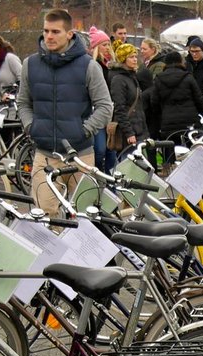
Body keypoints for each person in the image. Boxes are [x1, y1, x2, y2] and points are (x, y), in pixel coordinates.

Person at [17, 8, 112, 215]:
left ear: (70, 34)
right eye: (46, 31)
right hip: (45, 155)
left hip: (81, 156)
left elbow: (105, 106)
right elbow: (23, 102)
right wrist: (31, 126)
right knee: (44, 217)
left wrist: (83, 130)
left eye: (55, 31)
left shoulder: (88, 66)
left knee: (86, 217)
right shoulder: (30, 65)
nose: (49, 36)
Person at [146, 48, 203, 144]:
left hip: (168, 123)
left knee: (171, 153)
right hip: (190, 122)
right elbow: (199, 100)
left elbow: (154, 103)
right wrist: (202, 114)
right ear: (181, 61)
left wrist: (162, 115)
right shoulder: (188, 77)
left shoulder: (159, 79)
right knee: (193, 153)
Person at [107, 43, 146, 157]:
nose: (135, 60)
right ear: (123, 59)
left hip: (139, 130)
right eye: (131, 57)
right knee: (128, 168)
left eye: (135, 56)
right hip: (127, 134)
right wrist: (129, 133)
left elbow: (139, 107)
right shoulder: (118, 79)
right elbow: (120, 108)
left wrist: (145, 132)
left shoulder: (132, 77)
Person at [88, 27, 115, 171]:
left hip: (109, 111)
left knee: (111, 149)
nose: (107, 48)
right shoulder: (94, 66)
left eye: (108, 44)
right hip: (96, 112)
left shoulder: (109, 66)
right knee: (100, 149)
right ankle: (97, 174)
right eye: (104, 45)